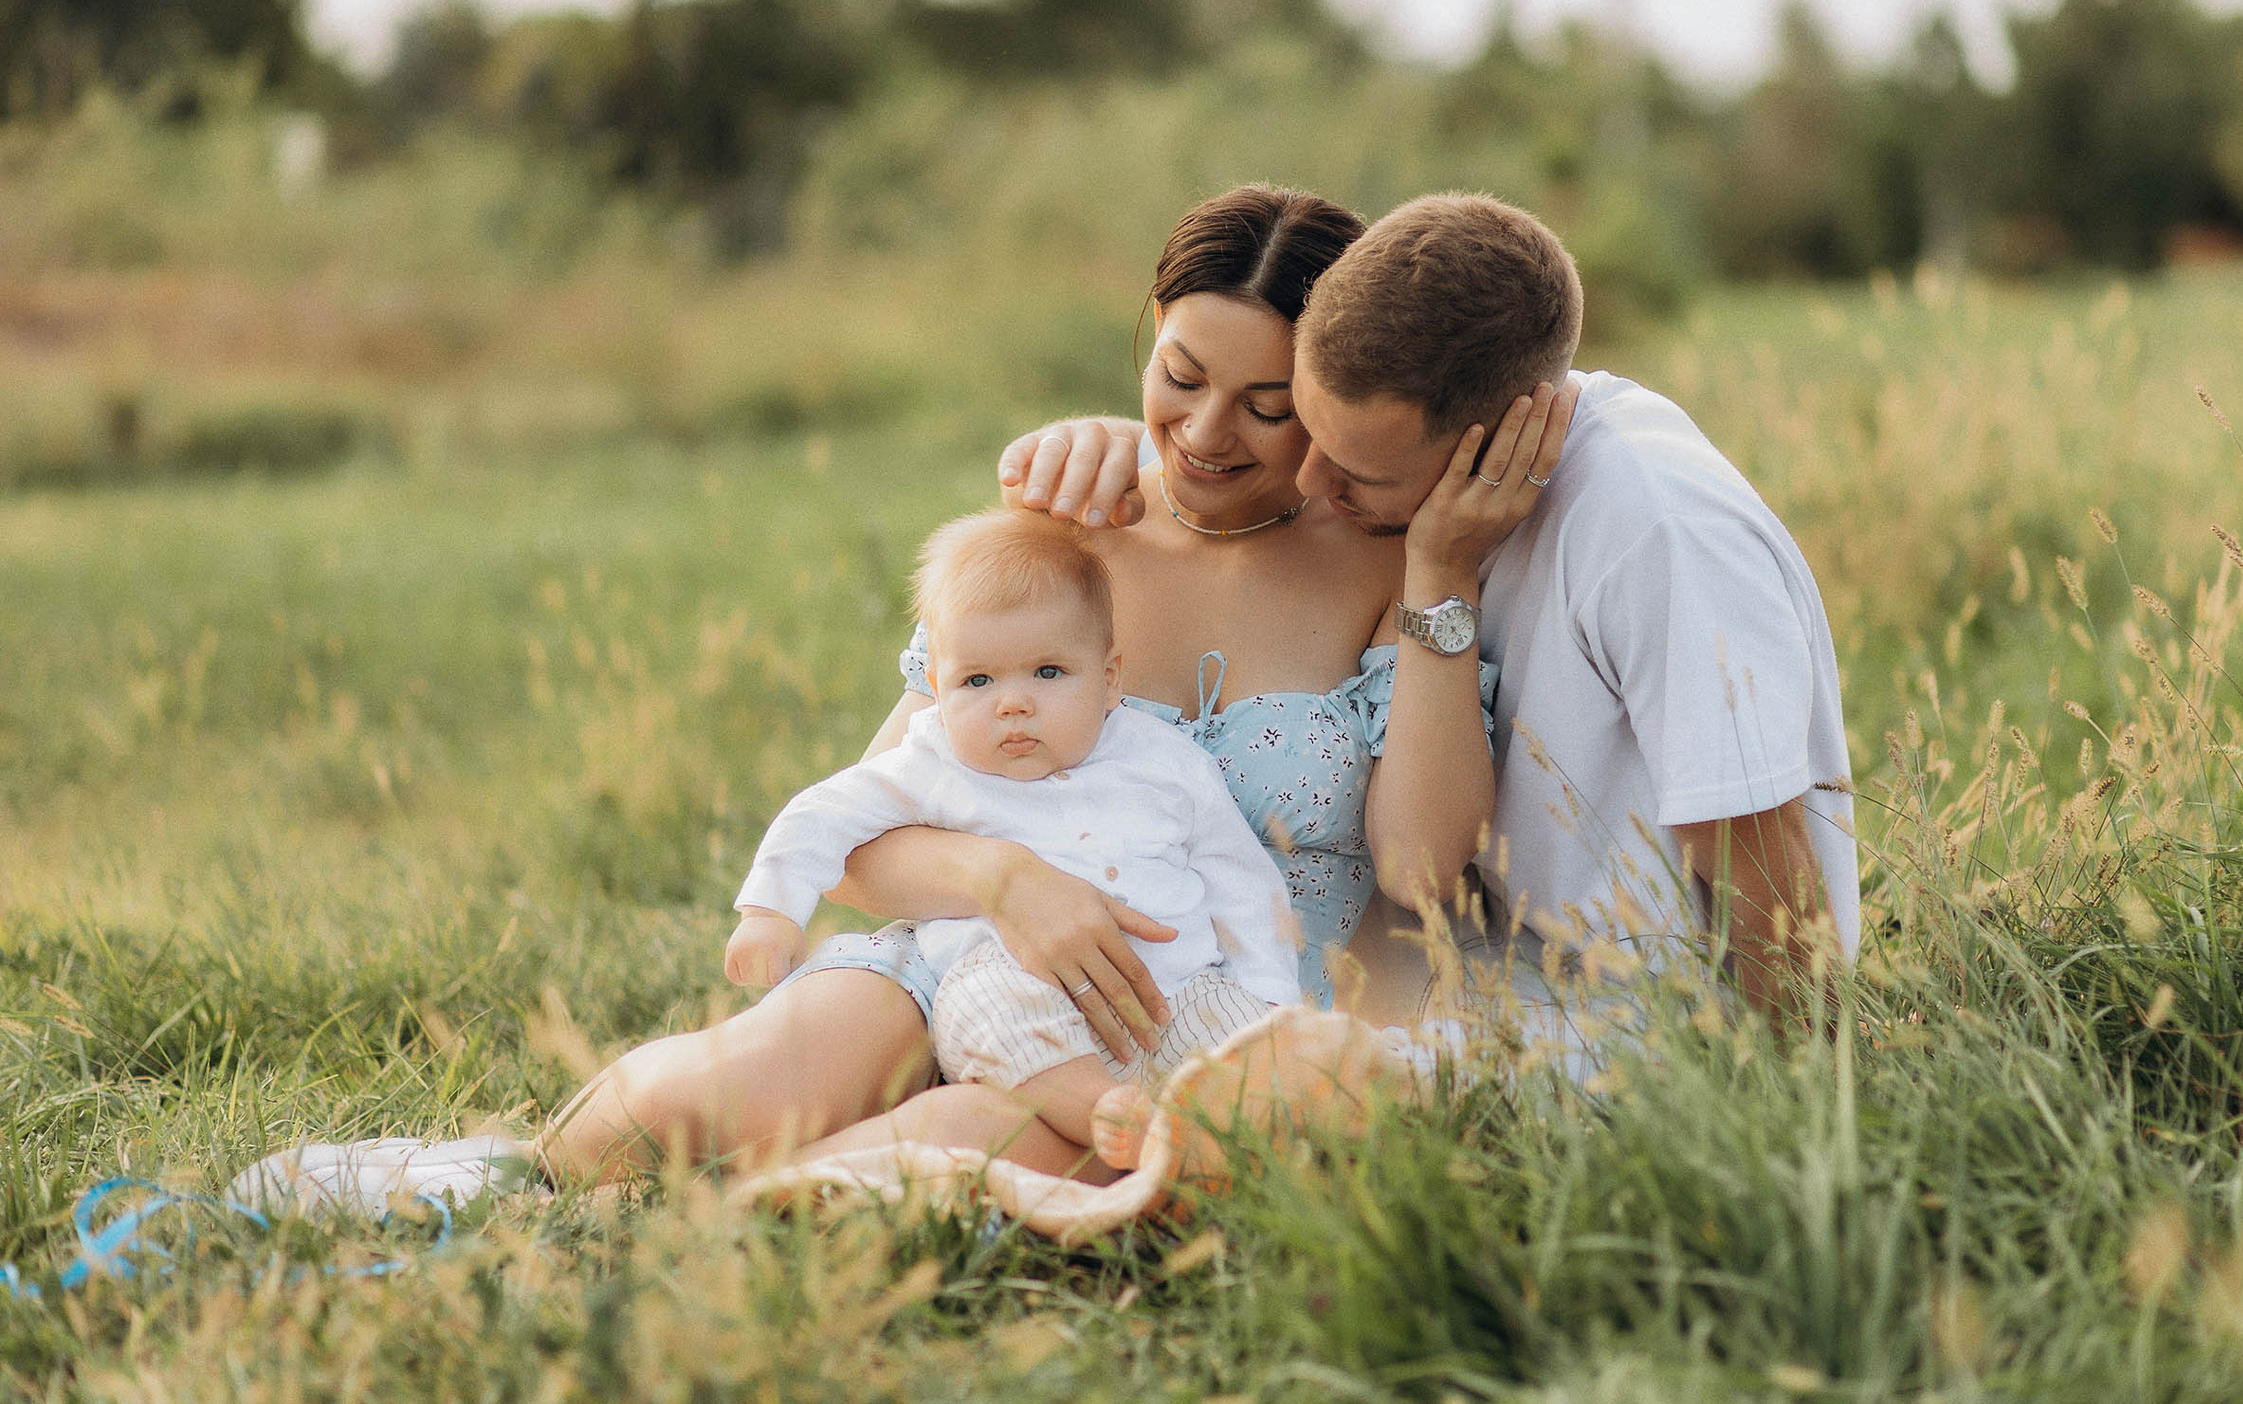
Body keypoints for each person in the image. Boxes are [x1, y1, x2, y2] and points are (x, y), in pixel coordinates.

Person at [231, 185, 1564, 1212]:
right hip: (941, 959)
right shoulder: (1062, 536)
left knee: (924, 1172)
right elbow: (865, 837)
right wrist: (1002, 880)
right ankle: (505, 1171)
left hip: (1174, 1030)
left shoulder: (1394, 573)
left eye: (1268, 404)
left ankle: (664, 1242)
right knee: (732, 1090)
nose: (1208, 434)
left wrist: (1442, 575)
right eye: (1178, 376)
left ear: (1329, 395)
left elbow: (1425, 869)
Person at [1005, 193, 1858, 1026]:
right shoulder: (1434, 457)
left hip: (1637, 1023)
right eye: (1304, 425)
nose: (1313, 488)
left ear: (1484, 441)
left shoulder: (1656, 532)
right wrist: (1128, 448)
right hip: (1482, 990)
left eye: (1345, 464)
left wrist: (1804, 1110)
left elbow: (1756, 853)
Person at [727, 508, 1300, 1164]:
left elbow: (1241, 882)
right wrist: (769, 913)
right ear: (937, 689)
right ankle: (1103, 1110)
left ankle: (1236, 1129)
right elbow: (823, 813)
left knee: (1251, 1038)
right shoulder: (934, 762)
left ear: (1110, 677)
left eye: (1048, 672)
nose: (1013, 702)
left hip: (1169, 991)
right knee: (981, 1007)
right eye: (978, 680)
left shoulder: (1163, 762)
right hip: (1017, 982)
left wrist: (1274, 999)